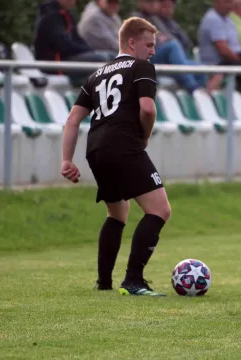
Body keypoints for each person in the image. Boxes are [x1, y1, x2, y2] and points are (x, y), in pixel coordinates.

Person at [60, 17, 172, 297]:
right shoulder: (142, 67)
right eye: (149, 44)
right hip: (124, 145)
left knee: (117, 213)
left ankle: (104, 282)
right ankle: (134, 280)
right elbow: (147, 109)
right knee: (160, 210)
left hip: (95, 148)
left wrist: (66, 159)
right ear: (131, 42)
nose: (153, 51)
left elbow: (73, 118)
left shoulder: (97, 74)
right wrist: (145, 136)